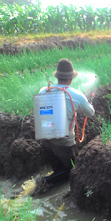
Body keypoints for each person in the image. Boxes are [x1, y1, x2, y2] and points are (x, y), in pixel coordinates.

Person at [33, 58, 95, 195]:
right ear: (71, 79)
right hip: (64, 142)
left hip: (45, 138)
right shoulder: (76, 94)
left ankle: (52, 179)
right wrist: (89, 102)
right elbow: (90, 113)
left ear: (57, 76)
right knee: (72, 171)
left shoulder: (44, 90)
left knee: (59, 168)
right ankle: (45, 182)